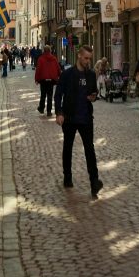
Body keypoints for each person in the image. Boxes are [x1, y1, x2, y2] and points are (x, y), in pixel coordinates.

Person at [54, 45, 103, 198]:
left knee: (90, 149)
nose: (88, 61)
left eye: (90, 59)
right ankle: (67, 176)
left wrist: (93, 97)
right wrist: (59, 113)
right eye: (86, 58)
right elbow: (58, 94)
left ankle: (94, 182)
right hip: (69, 117)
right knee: (67, 147)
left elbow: (93, 92)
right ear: (79, 56)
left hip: (86, 117)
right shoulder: (67, 74)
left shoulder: (91, 74)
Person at [35, 45, 61, 116]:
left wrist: (36, 79)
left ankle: (41, 108)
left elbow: (38, 69)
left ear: (44, 50)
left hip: (43, 79)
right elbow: (58, 68)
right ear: (50, 50)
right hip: (51, 80)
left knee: (43, 95)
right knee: (50, 95)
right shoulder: (54, 58)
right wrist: (60, 76)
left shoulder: (41, 58)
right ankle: (49, 111)